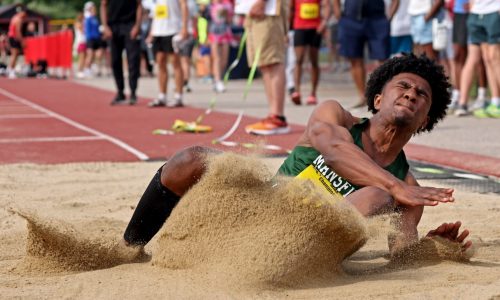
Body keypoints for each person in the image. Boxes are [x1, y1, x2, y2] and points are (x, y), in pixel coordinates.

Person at [118, 54, 471, 258]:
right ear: (378, 99)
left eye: (421, 95)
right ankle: (128, 248)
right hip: (262, 210)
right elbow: (333, 151)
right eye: (403, 86)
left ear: (425, 119)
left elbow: (400, 257)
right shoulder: (335, 116)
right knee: (191, 156)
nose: (411, 94)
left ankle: (279, 259)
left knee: (378, 196)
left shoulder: (409, 190)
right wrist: (394, 185)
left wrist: (433, 249)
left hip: (302, 249)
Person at [243, 0, 290, 135]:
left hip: (268, 10)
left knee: (272, 61)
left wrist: (262, 2)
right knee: (264, 63)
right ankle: (273, 114)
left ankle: (277, 117)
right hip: (255, 10)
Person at [334, 0, 390, 108]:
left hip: (377, 18)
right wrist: (338, 13)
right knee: (354, 59)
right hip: (350, 19)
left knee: (382, 59)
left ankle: (382, 95)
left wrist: (389, 17)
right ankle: (362, 96)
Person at [147, 0, 188, 108]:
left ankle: (178, 96)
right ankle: (162, 96)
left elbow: (184, 5)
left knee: (175, 62)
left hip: (173, 29)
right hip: (158, 30)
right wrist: (152, 32)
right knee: (160, 61)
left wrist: (184, 27)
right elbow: (155, 11)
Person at [289, 0, 331, 106]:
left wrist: (324, 22)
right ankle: (297, 91)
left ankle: (313, 93)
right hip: (299, 27)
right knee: (298, 60)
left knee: (314, 61)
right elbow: (290, 9)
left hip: (315, 28)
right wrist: (287, 30)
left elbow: (326, 5)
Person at [100, 0, 142, 105]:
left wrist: (137, 25)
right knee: (115, 61)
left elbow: (139, 5)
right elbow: (103, 5)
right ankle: (120, 92)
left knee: (133, 60)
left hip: (130, 25)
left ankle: (133, 92)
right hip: (113, 27)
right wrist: (105, 26)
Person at [208, 0, 234, 93]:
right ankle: (217, 80)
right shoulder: (210, 4)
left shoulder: (227, 4)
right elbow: (206, 19)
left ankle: (219, 78)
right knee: (216, 58)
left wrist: (226, 15)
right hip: (214, 33)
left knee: (224, 59)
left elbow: (230, 20)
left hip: (225, 32)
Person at [84, 2, 104, 78]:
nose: (94, 10)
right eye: (93, 9)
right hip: (90, 39)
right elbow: (86, 30)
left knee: (99, 54)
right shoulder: (88, 19)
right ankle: (86, 70)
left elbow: (98, 29)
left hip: (97, 38)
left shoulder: (96, 19)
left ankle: (93, 65)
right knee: (90, 55)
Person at [7, 5, 27, 79]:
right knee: (14, 55)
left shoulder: (14, 17)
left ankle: (10, 70)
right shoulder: (19, 19)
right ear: (22, 12)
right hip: (14, 38)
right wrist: (22, 41)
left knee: (14, 54)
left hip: (11, 37)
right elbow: (18, 31)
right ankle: (11, 71)